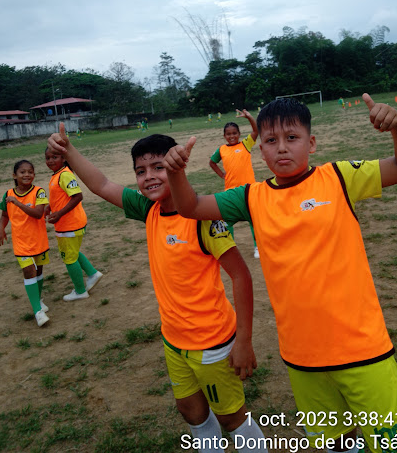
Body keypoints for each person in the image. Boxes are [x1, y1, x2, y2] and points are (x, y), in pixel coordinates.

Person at [163, 94, 397, 453]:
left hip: (362, 349)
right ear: (261, 150)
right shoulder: (251, 197)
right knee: (335, 441)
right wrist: (175, 172)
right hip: (302, 357)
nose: (282, 148)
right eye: (271, 140)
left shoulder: (339, 177)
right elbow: (191, 206)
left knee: (395, 444)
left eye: (292, 137)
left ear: (311, 143)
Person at [47, 126, 268, 453]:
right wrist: (68, 151)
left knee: (232, 418)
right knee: (191, 412)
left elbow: (241, 276)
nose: (149, 177)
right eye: (141, 171)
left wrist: (244, 341)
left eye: (158, 167)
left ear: (177, 167)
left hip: (212, 343)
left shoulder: (203, 217)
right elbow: (102, 185)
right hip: (173, 340)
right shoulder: (148, 209)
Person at [45, 148, 103, 301]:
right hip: (73, 223)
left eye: (54, 157)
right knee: (74, 252)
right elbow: (61, 196)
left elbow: (77, 196)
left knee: (69, 258)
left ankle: (80, 291)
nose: (50, 161)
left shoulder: (64, 174)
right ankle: (93, 274)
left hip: (69, 225)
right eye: (47, 158)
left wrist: (59, 213)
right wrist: (50, 206)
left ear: (64, 158)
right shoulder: (58, 174)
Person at [0, 160, 50, 327]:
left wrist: (17, 203)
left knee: (38, 272)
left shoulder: (39, 192)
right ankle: (38, 312)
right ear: (15, 175)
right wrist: (0, 228)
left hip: (38, 240)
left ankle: (38, 300)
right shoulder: (8, 195)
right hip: (21, 243)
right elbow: (5, 215)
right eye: (22, 172)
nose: (27, 175)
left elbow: (38, 214)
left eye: (30, 172)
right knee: (29, 272)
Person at [209, 110, 259, 258]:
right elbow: (212, 162)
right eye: (228, 134)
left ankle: (257, 246)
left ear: (239, 134)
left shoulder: (245, 144)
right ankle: (230, 247)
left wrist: (249, 117)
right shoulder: (222, 149)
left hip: (248, 190)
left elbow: (256, 131)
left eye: (234, 133)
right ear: (224, 136)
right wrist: (222, 175)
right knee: (227, 221)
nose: (232, 136)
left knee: (253, 219)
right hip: (230, 192)